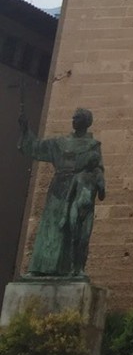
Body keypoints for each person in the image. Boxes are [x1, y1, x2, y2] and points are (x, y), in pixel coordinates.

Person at [18, 107, 106, 278]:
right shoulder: (59, 143)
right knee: (50, 228)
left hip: (79, 190)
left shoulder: (93, 146)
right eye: (73, 117)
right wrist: (25, 128)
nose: (73, 119)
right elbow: (35, 147)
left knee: (76, 231)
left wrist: (97, 187)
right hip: (58, 190)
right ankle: (38, 269)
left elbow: (97, 170)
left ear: (86, 121)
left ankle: (73, 269)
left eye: (78, 117)